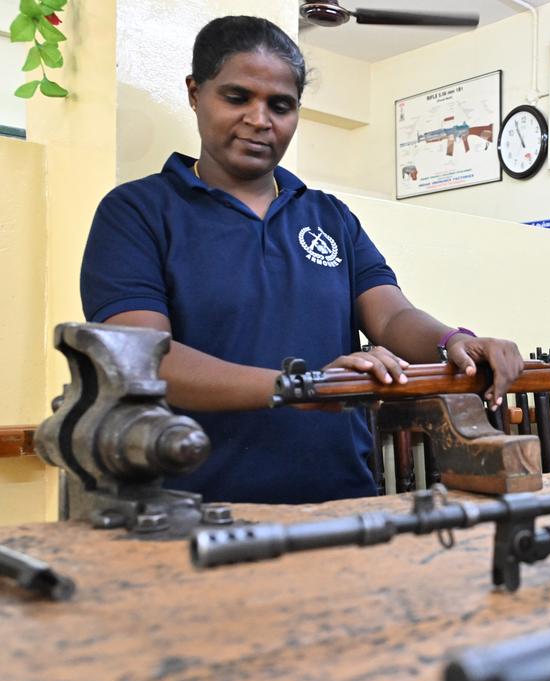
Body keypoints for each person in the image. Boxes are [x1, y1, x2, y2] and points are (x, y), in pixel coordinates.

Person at [79, 16, 524, 504]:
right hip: (195, 509)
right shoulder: (137, 212)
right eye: (236, 97)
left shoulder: (329, 215)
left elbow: (392, 314)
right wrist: (300, 386)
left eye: (280, 105)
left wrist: (454, 341)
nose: (259, 119)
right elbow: (145, 360)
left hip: (342, 502)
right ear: (194, 92)